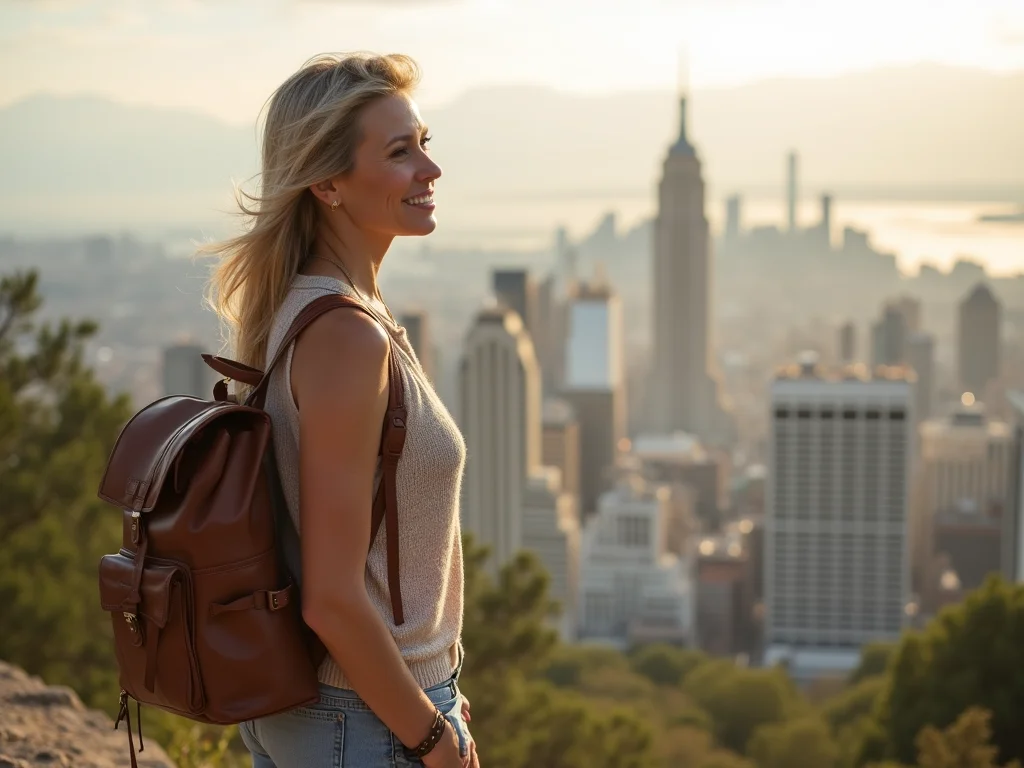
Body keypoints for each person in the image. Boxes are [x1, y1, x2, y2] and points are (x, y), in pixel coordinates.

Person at [203, 52, 478, 768]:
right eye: (399, 152)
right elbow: (331, 599)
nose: (430, 170)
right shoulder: (346, 337)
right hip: (359, 723)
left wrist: (438, 686)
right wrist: (430, 735)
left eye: (424, 143)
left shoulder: (313, 311)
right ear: (327, 182)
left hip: (346, 710)